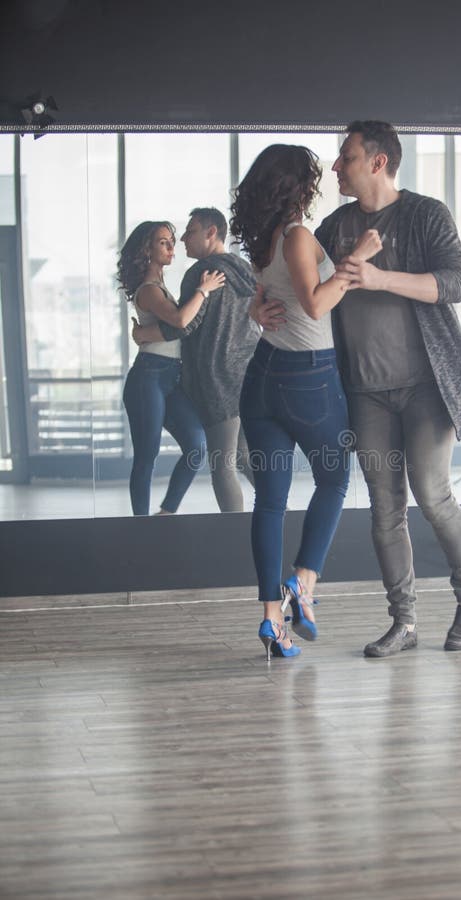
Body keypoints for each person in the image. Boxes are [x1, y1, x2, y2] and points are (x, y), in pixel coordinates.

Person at [258, 122, 461, 656]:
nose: (337, 166)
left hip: (428, 387)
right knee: (385, 510)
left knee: (432, 494)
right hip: (363, 392)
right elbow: (295, 280)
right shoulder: (335, 226)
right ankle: (404, 622)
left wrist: (381, 277)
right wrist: (256, 303)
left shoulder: (426, 214)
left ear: (378, 162)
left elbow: (456, 282)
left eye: (346, 156)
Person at [230, 144, 382, 660]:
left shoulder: (263, 237)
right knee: (335, 479)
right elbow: (316, 304)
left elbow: (266, 296)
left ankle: (273, 620)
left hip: (264, 377)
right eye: (315, 176)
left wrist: (255, 308)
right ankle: (304, 582)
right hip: (309, 381)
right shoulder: (296, 236)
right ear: (297, 185)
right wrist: (356, 258)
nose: (324, 179)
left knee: (270, 502)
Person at [132, 208, 260, 512]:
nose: (184, 240)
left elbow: (183, 325)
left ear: (211, 232)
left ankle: (234, 535)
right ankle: (279, 513)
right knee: (242, 455)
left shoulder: (200, 273)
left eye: (190, 232)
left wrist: (143, 334)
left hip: (217, 379)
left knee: (222, 464)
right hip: (249, 375)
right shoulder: (245, 271)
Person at [118, 220, 225, 516]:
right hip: (148, 378)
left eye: (172, 241)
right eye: (163, 242)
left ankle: (166, 512)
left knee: (196, 446)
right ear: (147, 249)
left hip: (171, 378)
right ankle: (141, 523)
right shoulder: (149, 290)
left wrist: (142, 334)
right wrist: (203, 290)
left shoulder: (161, 287)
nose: (172, 247)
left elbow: (174, 329)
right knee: (147, 456)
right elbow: (180, 321)